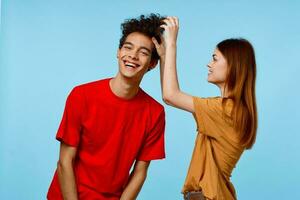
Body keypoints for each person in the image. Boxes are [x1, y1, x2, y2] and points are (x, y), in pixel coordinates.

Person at [47, 14, 166, 200]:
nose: (133, 56)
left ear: (152, 63)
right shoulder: (82, 96)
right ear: (118, 52)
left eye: (143, 52)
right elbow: (65, 161)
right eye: (128, 48)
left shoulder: (154, 112)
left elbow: (140, 172)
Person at [153, 17, 258, 200]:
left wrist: (172, 45)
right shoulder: (227, 109)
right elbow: (170, 96)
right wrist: (163, 57)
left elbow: (171, 96)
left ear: (232, 65)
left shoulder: (225, 110)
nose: (209, 64)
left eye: (215, 59)